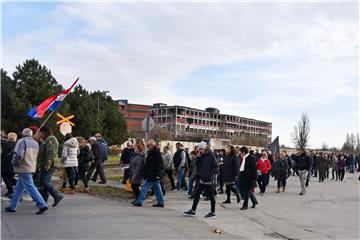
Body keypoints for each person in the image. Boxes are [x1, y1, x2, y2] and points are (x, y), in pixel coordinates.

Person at [5, 128, 48, 214]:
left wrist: (14, 163)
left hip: (24, 167)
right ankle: (12, 206)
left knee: (30, 187)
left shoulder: (21, 141)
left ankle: (42, 204)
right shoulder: (35, 143)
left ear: (23, 133)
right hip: (31, 166)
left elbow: (19, 154)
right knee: (19, 188)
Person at [184, 141, 217, 218]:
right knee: (196, 194)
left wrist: (210, 175)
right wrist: (198, 157)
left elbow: (215, 167)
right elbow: (197, 164)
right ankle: (193, 210)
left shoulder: (211, 156)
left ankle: (213, 212)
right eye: (199, 148)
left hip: (208, 179)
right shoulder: (201, 156)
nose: (200, 150)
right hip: (202, 179)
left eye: (201, 148)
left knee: (211, 196)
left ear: (205, 148)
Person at [132, 139, 164, 207]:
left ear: (153, 145)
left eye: (148, 145)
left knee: (145, 188)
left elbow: (159, 165)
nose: (147, 146)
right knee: (157, 189)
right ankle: (160, 202)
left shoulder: (156, 153)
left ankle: (139, 201)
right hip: (152, 174)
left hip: (153, 175)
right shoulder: (151, 152)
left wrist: (158, 174)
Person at [37, 126, 63, 206]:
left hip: (50, 164)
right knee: (42, 181)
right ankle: (43, 200)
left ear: (44, 132)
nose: (40, 134)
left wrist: (48, 164)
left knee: (45, 181)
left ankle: (56, 195)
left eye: (40, 132)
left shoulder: (51, 139)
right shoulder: (47, 139)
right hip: (45, 163)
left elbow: (50, 153)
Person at [1, 132, 17, 197]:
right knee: (11, 176)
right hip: (14, 162)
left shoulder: (5, 144)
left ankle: (10, 190)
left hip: (6, 162)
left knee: (4, 175)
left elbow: (3, 154)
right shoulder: (17, 144)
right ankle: (10, 190)